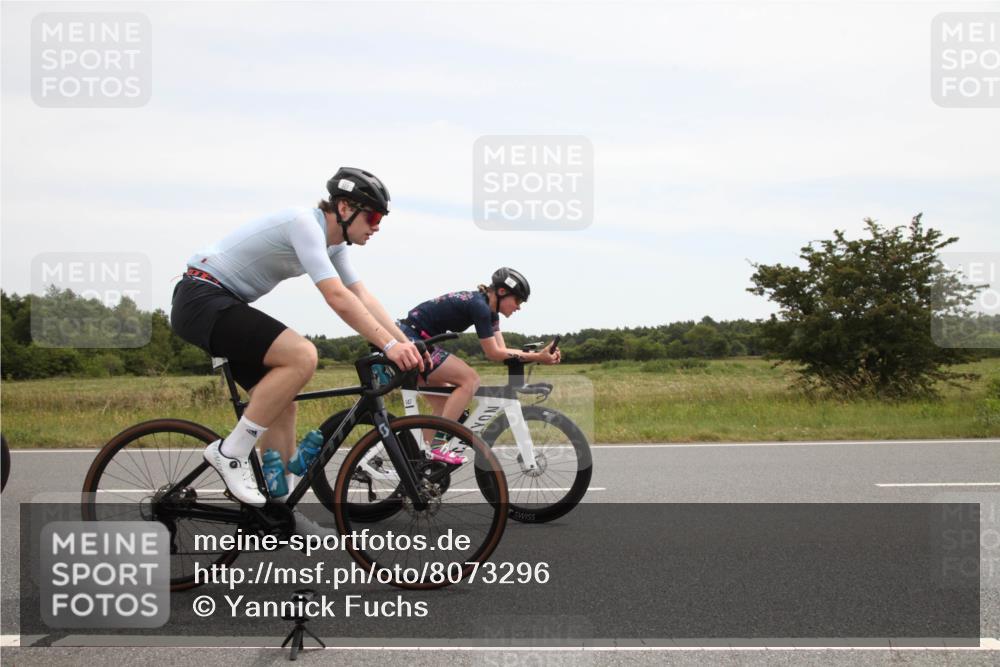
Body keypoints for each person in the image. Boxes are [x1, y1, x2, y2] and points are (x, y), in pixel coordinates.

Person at [170, 168, 426, 530]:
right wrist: (387, 345)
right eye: (372, 216)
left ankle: (279, 512)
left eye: (380, 218)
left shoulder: (333, 244)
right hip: (201, 297)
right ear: (344, 207)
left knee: (281, 405)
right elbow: (336, 296)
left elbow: (360, 295)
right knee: (303, 355)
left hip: (221, 303)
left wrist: (405, 343)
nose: (377, 226)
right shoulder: (305, 224)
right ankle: (230, 454)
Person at [397, 268, 560, 464]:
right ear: (501, 292)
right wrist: (538, 357)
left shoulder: (490, 312)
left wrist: (536, 356)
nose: (519, 307)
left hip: (417, 340)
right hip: (410, 339)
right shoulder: (480, 307)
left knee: (444, 407)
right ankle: (438, 446)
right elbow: (492, 353)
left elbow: (501, 350)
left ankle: (418, 462)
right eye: (517, 300)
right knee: (470, 379)